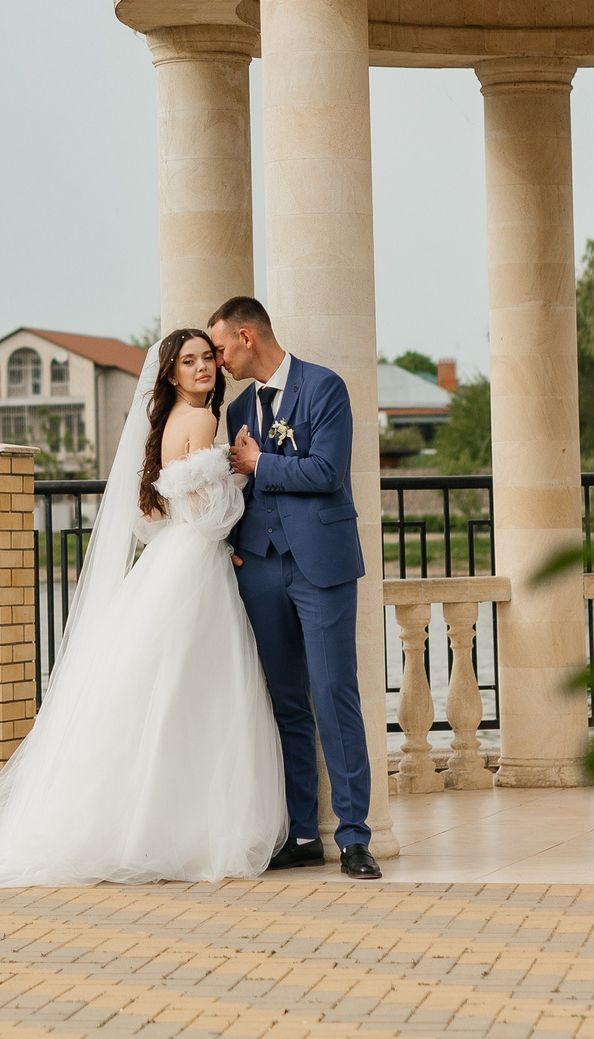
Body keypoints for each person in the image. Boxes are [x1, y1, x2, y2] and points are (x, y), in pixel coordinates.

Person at [0, 327, 286, 887]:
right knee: (197, 693)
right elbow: (211, 517)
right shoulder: (206, 421)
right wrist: (241, 474)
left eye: (207, 359)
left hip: (169, 562)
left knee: (161, 693)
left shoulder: (164, 427)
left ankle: (139, 825)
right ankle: (182, 829)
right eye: (189, 361)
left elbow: (162, 512)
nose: (202, 369)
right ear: (171, 374)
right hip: (196, 565)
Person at [209, 295, 380, 880]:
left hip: (321, 566)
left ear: (247, 337)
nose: (219, 359)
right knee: (286, 704)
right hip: (258, 565)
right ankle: (304, 833)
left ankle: (355, 837)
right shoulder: (236, 411)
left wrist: (263, 466)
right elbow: (236, 489)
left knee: (334, 694)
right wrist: (228, 542)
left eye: (222, 346)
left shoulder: (325, 388)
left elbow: (328, 472)